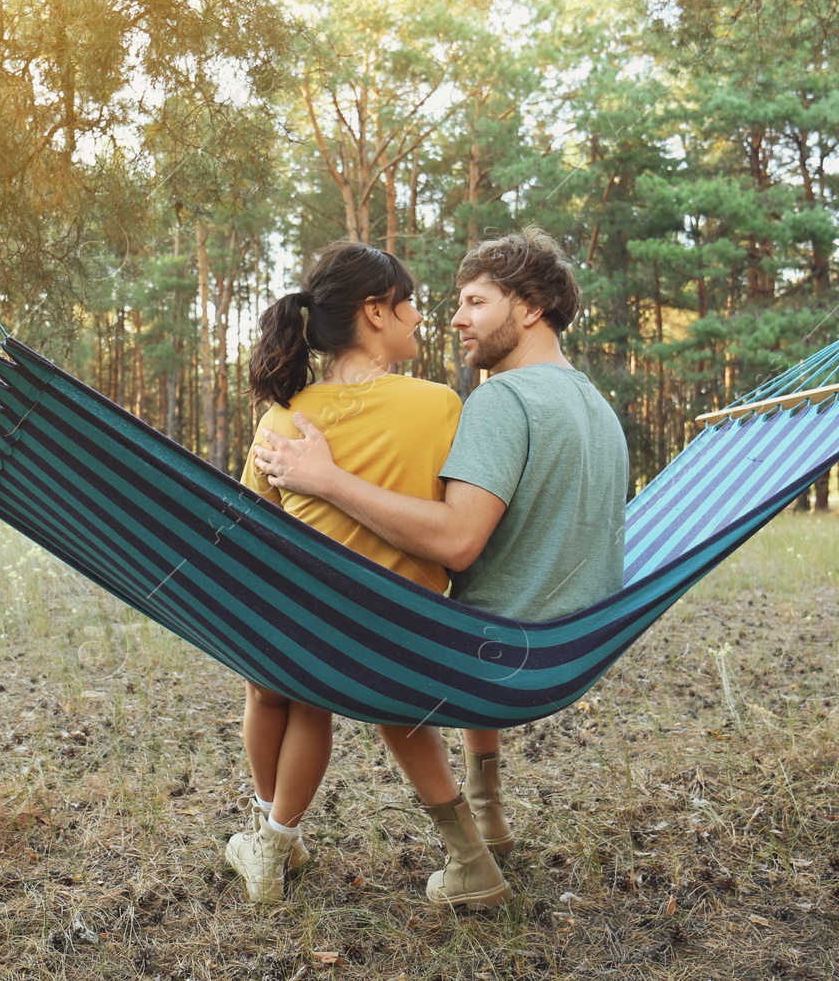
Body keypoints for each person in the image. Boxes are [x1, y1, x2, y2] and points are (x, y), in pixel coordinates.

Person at [254, 226, 629, 909]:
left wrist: (328, 479)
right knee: (443, 602)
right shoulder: (596, 406)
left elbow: (458, 543)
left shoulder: (499, 401)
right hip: (574, 644)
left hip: (499, 650)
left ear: (531, 307)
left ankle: (466, 856)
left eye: (476, 301)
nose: (456, 317)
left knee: (389, 633)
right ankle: (486, 806)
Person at [228, 241, 463, 904]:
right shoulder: (440, 406)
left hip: (305, 630)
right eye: (410, 302)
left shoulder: (282, 418)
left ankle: (273, 837)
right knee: (305, 685)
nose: (420, 315)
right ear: (376, 311)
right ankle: (275, 841)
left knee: (275, 687)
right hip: (398, 635)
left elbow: (251, 522)